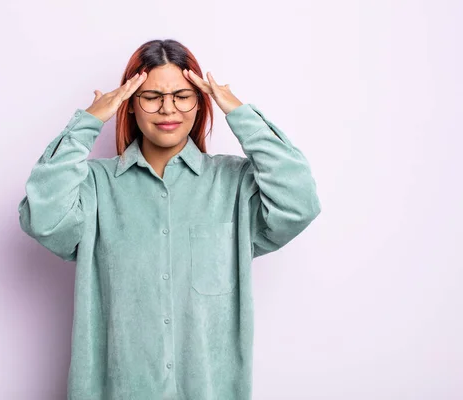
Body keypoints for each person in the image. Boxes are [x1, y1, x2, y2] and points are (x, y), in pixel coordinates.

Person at [18, 39, 321, 400]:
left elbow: (299, 201)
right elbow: (44, 218)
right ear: (129, 105)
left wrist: (239, 112)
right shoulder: (94, 186)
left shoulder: (234, 184)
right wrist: (88, 122)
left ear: (199, 101)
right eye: (151, 97)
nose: (168, 109)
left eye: (182, 95)